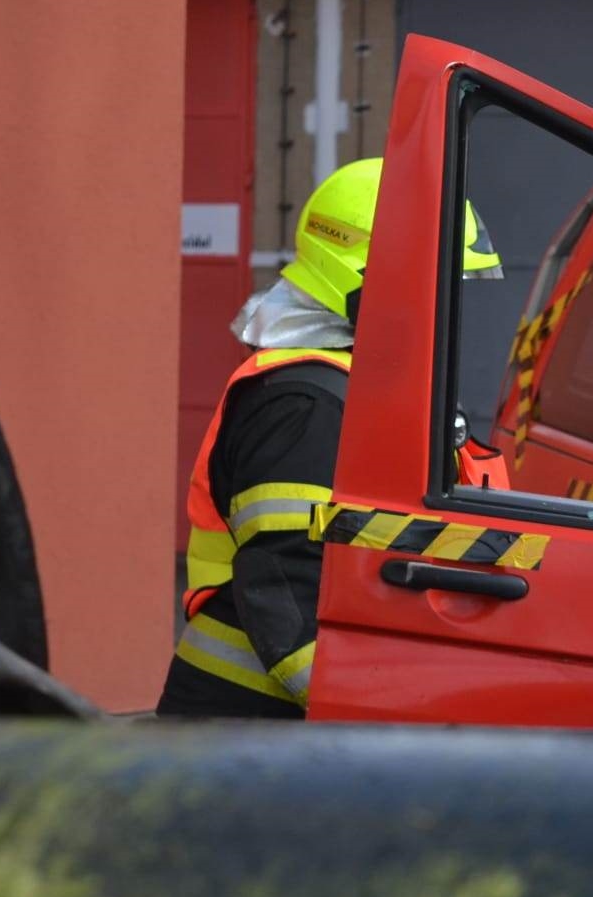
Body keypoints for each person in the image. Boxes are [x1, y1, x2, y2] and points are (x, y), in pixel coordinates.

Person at [158, 157, 504, 718]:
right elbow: (285, 581)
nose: (446, 305)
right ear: (371, 278)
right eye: (436, 282)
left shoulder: (355, 388)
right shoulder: (306, 404)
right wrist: (364, 714)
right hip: (252, 730)